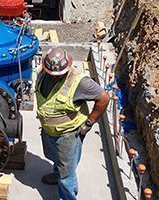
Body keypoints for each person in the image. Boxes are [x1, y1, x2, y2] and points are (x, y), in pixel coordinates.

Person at [35, 47, 109, 199]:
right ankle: (57, 175)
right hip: (49, 130)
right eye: (52, 74)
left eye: (59, 75)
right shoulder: (42, 72)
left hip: (68, 134)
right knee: (54, 157)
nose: (55, 77)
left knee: (67, 173)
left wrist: (89, 123)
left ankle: (67, 196)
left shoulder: (81, 82)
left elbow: (104, 98)